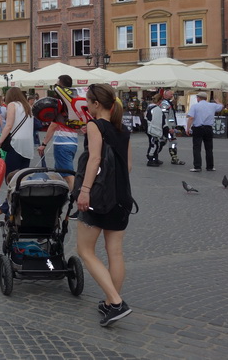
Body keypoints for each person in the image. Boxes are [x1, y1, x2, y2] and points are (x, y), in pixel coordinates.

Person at [76, 83, 134, 327]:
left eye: (88, 102)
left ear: (96, 104)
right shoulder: (124, 129)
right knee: (115, 252)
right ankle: (111, 304)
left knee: (85, 251)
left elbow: (95, 158)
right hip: (122, 196)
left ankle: (116, 301)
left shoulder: (94, 125)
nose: (87, 106)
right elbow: (129, 166)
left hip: (100, 197)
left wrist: (85, 190)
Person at [38, 75, 80, 174]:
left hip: (62, 143)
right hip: (73, 142)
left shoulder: (61, 103)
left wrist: (43, 144)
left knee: (67, 174)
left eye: (56, 84)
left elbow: (53, 125)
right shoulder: (72, 101)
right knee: (62, 173)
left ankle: (75, 189)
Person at [0, 88, 35, 174]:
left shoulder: (12, 105)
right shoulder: (28, 106)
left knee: (11, 175)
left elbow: (8, 126)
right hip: (28, 143)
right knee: (23, 174)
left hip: (16, 143)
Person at [185, 92, 223, 172]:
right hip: (208, 128)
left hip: (198, 128)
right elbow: (221, 106)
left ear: (198, 98)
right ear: (206, 98)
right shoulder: (212, 105)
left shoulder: (195, 106)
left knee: (197, 148)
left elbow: (191, 118)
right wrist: (217, 101)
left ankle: (197, 166)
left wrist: (187, 128)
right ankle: (210, 166)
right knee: (209, 148)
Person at [160, 90, 184, 165]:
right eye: (171, 94)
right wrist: (169, 128)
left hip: (169, 127)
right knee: (170, 142)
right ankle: (174, 159)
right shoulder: (165, 104)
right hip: (168, 128)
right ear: (165, 95)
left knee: (166, 142)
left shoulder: (168, 103)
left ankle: (153, 156)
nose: (172, 95)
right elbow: (165, 117)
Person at [144, 92, 166, 167]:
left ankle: (155, 158)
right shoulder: (155, 109)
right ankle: (150, 159)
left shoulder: (150, 107)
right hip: (153, 129)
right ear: (160, 100)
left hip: (150, 128)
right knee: (154, 144)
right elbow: (158, 121)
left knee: (155, 144)